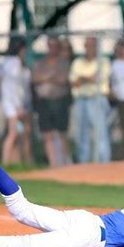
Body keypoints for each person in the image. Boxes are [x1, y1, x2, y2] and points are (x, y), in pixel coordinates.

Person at [69, 36, 112, 163]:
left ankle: (104, 164)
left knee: (101, 134)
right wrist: (88, 78)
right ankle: (83, 165)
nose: (89, 48)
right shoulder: (77, 62)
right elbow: (74, 83)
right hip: (81, 100)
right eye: (87, 45)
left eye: (92, 45)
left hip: (97, 99)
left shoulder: (103, 61)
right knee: (82, 135)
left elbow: (98, 79)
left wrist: (82, 79)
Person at [32, 36, 71, 167]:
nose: (52, 49)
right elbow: (35, 78)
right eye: (50, 46)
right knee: (47, 134)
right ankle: (53, 165)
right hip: (44, 102)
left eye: (55, 46)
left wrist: (45, 77)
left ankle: (65, 164)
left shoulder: (64, 63)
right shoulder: (40, 63)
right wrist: (51, 76)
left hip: (60, 101)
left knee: (62, 133)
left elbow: (63, 79)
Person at [0, 37, 33, 165]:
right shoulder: (13, 63)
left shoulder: (16, 63)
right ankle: (6, 163)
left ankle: (17, 163)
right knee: (13, 134)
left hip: (18, 104)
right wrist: (18, 106)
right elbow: (13, 87)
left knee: (21, 134)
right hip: (13, 105)